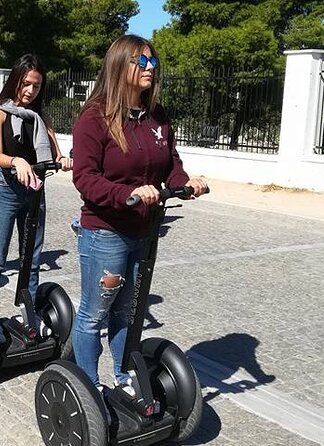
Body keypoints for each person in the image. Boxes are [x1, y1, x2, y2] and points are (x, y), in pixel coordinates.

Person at [71, 35, 208, 390]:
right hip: (106, 232)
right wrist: (128, 193)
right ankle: (88, 387)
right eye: (141, 62)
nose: (150, 68)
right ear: (120, 66)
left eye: (153, 62)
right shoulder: (94, 117)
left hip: (143, 231)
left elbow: (169, 163)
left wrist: (185, 182)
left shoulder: (156, 116)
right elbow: (85, 179)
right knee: (94, 314)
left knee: (127, 312)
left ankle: (123, 378)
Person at [0, 54, 72, 343]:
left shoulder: (41, 118)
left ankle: (27, 313)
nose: (30, 91)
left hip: (35, 192)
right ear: (16, 81)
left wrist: (64, 160)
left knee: (31, 260)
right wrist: (16, 161)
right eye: (26, 84)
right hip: (6, 190)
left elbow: (55, 153)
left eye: (37, 86)